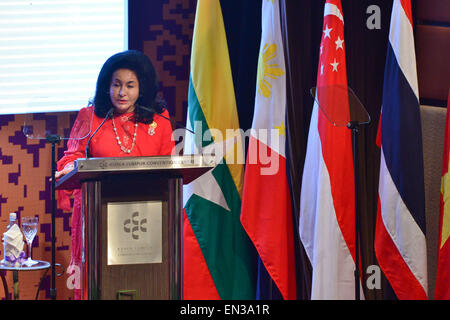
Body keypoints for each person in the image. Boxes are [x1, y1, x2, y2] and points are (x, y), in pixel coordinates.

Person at [56, 50, 175, 299]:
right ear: (106, 86)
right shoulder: (90, 117)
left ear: (141, 88)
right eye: (116, 84)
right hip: (97, 215)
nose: (122, 93)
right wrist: (70, 166)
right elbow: (72, 155)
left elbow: (168, 166)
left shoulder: (159, 120)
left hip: (147, 217)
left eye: (130, 85)